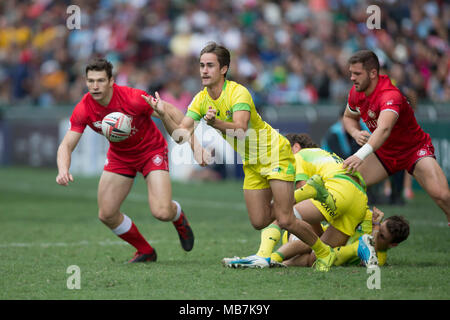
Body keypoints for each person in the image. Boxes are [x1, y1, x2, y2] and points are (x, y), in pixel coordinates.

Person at [143, 42, 338, 271]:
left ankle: (324, 252)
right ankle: (304, 195)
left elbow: (241, 127)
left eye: (210, 66)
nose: (204, 70)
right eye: (201, 65)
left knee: (285, 219)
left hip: (274, 153)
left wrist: (215, 122)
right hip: (252, 162)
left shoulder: (238, 92)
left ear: (223, 69)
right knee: (258, 221)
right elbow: (180, 135)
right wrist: (163, 114)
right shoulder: (200, 99)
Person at [56, 58, 195, 263]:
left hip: (151, 151)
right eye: (91, 81)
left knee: (162, 212)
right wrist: (63, 169)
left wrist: (189, 135)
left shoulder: (133, 98)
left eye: (100, 80)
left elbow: (168, 109)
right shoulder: (84, 108)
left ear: (111, 81)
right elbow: (66, 144)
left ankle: (178, 217)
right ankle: (146, 251)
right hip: (120, 157)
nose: (95, 86)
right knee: (107, 214)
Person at [223, 133, 369, 271]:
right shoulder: (323, 156)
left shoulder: (299, 156)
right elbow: (314, 227)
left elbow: (304, 191)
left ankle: (263, 256)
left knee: (281, 214)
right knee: (315, 258)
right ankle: (357, 249)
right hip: (359, 199)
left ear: (296, 147)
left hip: (339, 188)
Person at [342, 50, 450, 225]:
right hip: (384, 152)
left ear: (373, 73)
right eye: (351, 73)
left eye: (357, 74)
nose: (352, 78)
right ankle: (354, 229)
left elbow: (384, 129)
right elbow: (348, 117)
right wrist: (355, 133)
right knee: (348, 183)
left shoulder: (390, 95)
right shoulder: (356, 92)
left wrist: (359, 155)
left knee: (442, 195)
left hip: (413, 150)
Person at [271, 207, 410, 268]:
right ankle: (272, 259)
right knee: (313, 243)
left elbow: (369, 249)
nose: (377, 232)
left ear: (392, 245)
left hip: (320, 251)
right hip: (306, 234)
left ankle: (281, 264)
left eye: (382, 236)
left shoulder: (379, 258)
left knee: (314, 258)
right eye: (379, 227)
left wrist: (375, 227)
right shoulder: (367, 216)